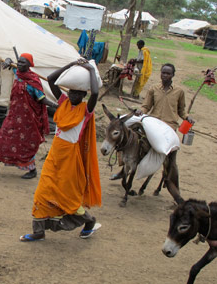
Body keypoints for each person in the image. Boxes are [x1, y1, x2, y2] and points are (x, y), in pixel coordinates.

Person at [20, 59, 102, 242]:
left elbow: (96, 92)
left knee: (68, 198)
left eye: (78, 93)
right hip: (54, 156)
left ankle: (89, 222)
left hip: (71, 159)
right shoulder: (63, 101)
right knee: (42, 192)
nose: (73, 95)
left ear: (83, 95)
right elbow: (51, 79)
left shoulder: (86, 110)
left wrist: (89, 69)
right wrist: (71, 64)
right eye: (71, 91)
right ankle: (39, 231)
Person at [110, 63, 194, 204]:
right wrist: (140, 111)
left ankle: (174, 187)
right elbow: (146, 106)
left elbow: (181, 110)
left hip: (168, 129)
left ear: (173, 75)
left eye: (168, 73)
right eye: (163, 73)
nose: (165, 75)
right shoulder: (153, 89)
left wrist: (187, 117)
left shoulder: (179, 92)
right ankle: (122, 170)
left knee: (171, 161)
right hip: (153, 125)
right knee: (130, 140)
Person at [0, 53, 56, 179]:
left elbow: (42, 99)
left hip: (28, 120)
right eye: (18, 62)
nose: (19, 64)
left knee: (26, 144)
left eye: (23, 62)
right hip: (14, 115)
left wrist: (56, 106)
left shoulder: (33, 81)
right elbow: (9, 61)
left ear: (29, 65)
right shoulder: (18, 73)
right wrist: (9, 60)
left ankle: (32, 170)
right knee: (2, 138)